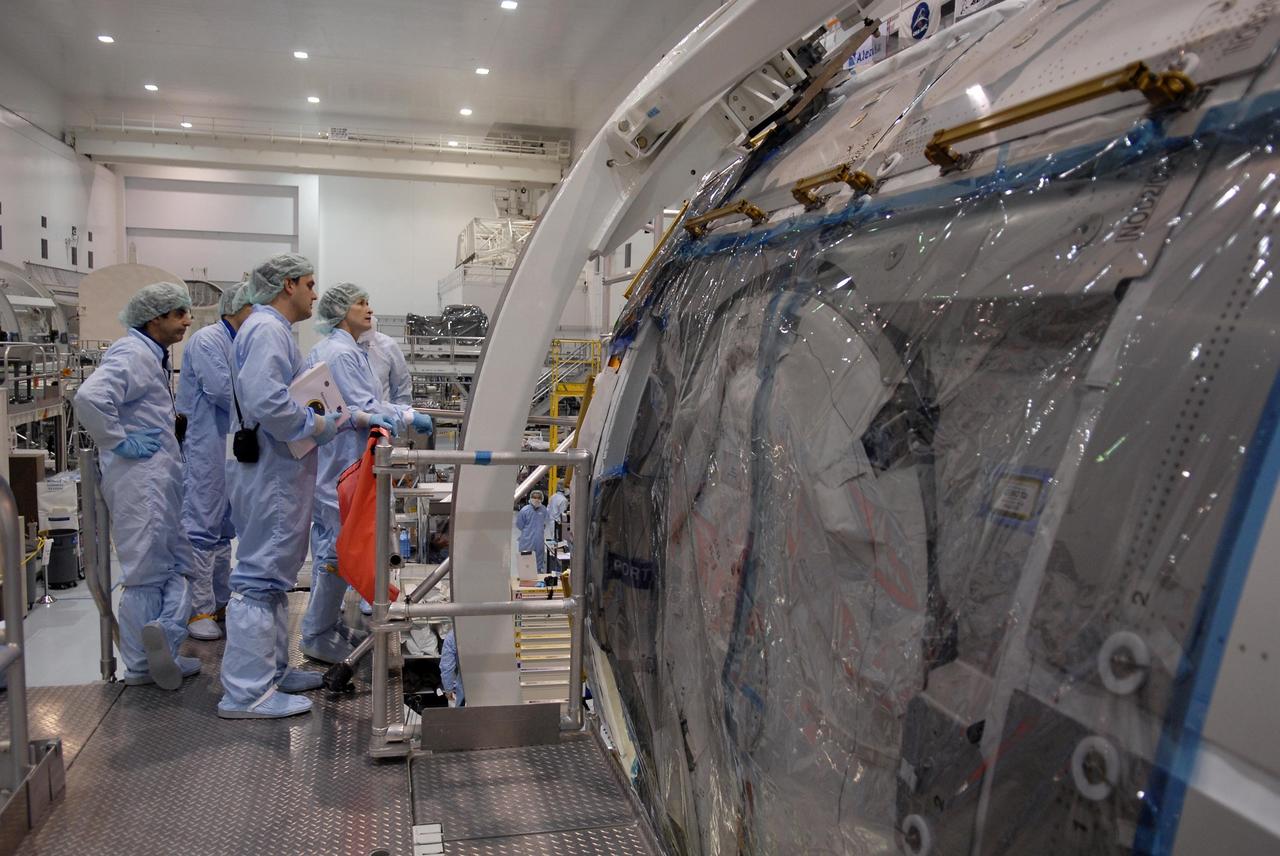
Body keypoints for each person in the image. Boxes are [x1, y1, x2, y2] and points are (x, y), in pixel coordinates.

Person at [219, 253, 338, 719]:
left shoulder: (269, 329)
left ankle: (270, 673)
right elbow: (267, 400)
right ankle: (246, 692)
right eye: (310, 284)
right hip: (270, 472)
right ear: (287, 284)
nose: (315, 293)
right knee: (257, 578)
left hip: (275, 470)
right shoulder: (267, 329)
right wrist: (314, 423)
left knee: (271, 578)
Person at [74, 281, 201, 690]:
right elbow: (90, 397)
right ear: (155, 317)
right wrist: (118, 440)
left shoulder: (152, 356)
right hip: (137, 478)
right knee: (146, 571)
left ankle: (163, 637)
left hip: (157, 476)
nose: (187, 320)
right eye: (179, 313)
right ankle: (143, 665)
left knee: (179, 563)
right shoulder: (131, 353)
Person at [302, 283, 433, 663]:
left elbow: (366, 403)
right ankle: (316, 633)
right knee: (335, 550)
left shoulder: (343, 349)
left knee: (337, 544)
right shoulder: (341, 353)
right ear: (342, 310)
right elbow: (364, 406)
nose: (368, 308)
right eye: (360, 303)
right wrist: (406, 416)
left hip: (343, 460)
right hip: (342, 463)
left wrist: (397, 414)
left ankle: (325, 625)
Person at [175, 282, 253, 641]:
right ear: (237, 307)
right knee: (202, 523)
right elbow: (225, 392)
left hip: (231, 445)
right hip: (208, 445)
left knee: (223, 528)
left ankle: (220, 601)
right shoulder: (208, 340)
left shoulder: (241, 341)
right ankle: (197, 610)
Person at [359, 318, 412, 406]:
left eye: (366, 304)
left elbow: (402, 390)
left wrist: (401, 416)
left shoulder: (387, 345)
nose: (369, 310)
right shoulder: (337, 349)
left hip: (384, 415)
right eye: (360, 304)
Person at [516, 490, 551, 574]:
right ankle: (525, 577)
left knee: (538, 560)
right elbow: (519, 524)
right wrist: (528, 532)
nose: (536, 499)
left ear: (542, 499)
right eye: (534, 497)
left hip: (539, 540)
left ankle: (538, 576)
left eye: (539, 498)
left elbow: (545, 523)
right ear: (530, 498)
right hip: (527, 540)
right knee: (526, 561)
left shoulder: (543, 510)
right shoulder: (525, 510)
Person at [439, 628, 464, 706]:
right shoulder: (498, 631)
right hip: (498, 692)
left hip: (466, 690)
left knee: (466, 716)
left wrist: (448, 690)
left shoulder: (454, 634)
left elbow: (447, 667)